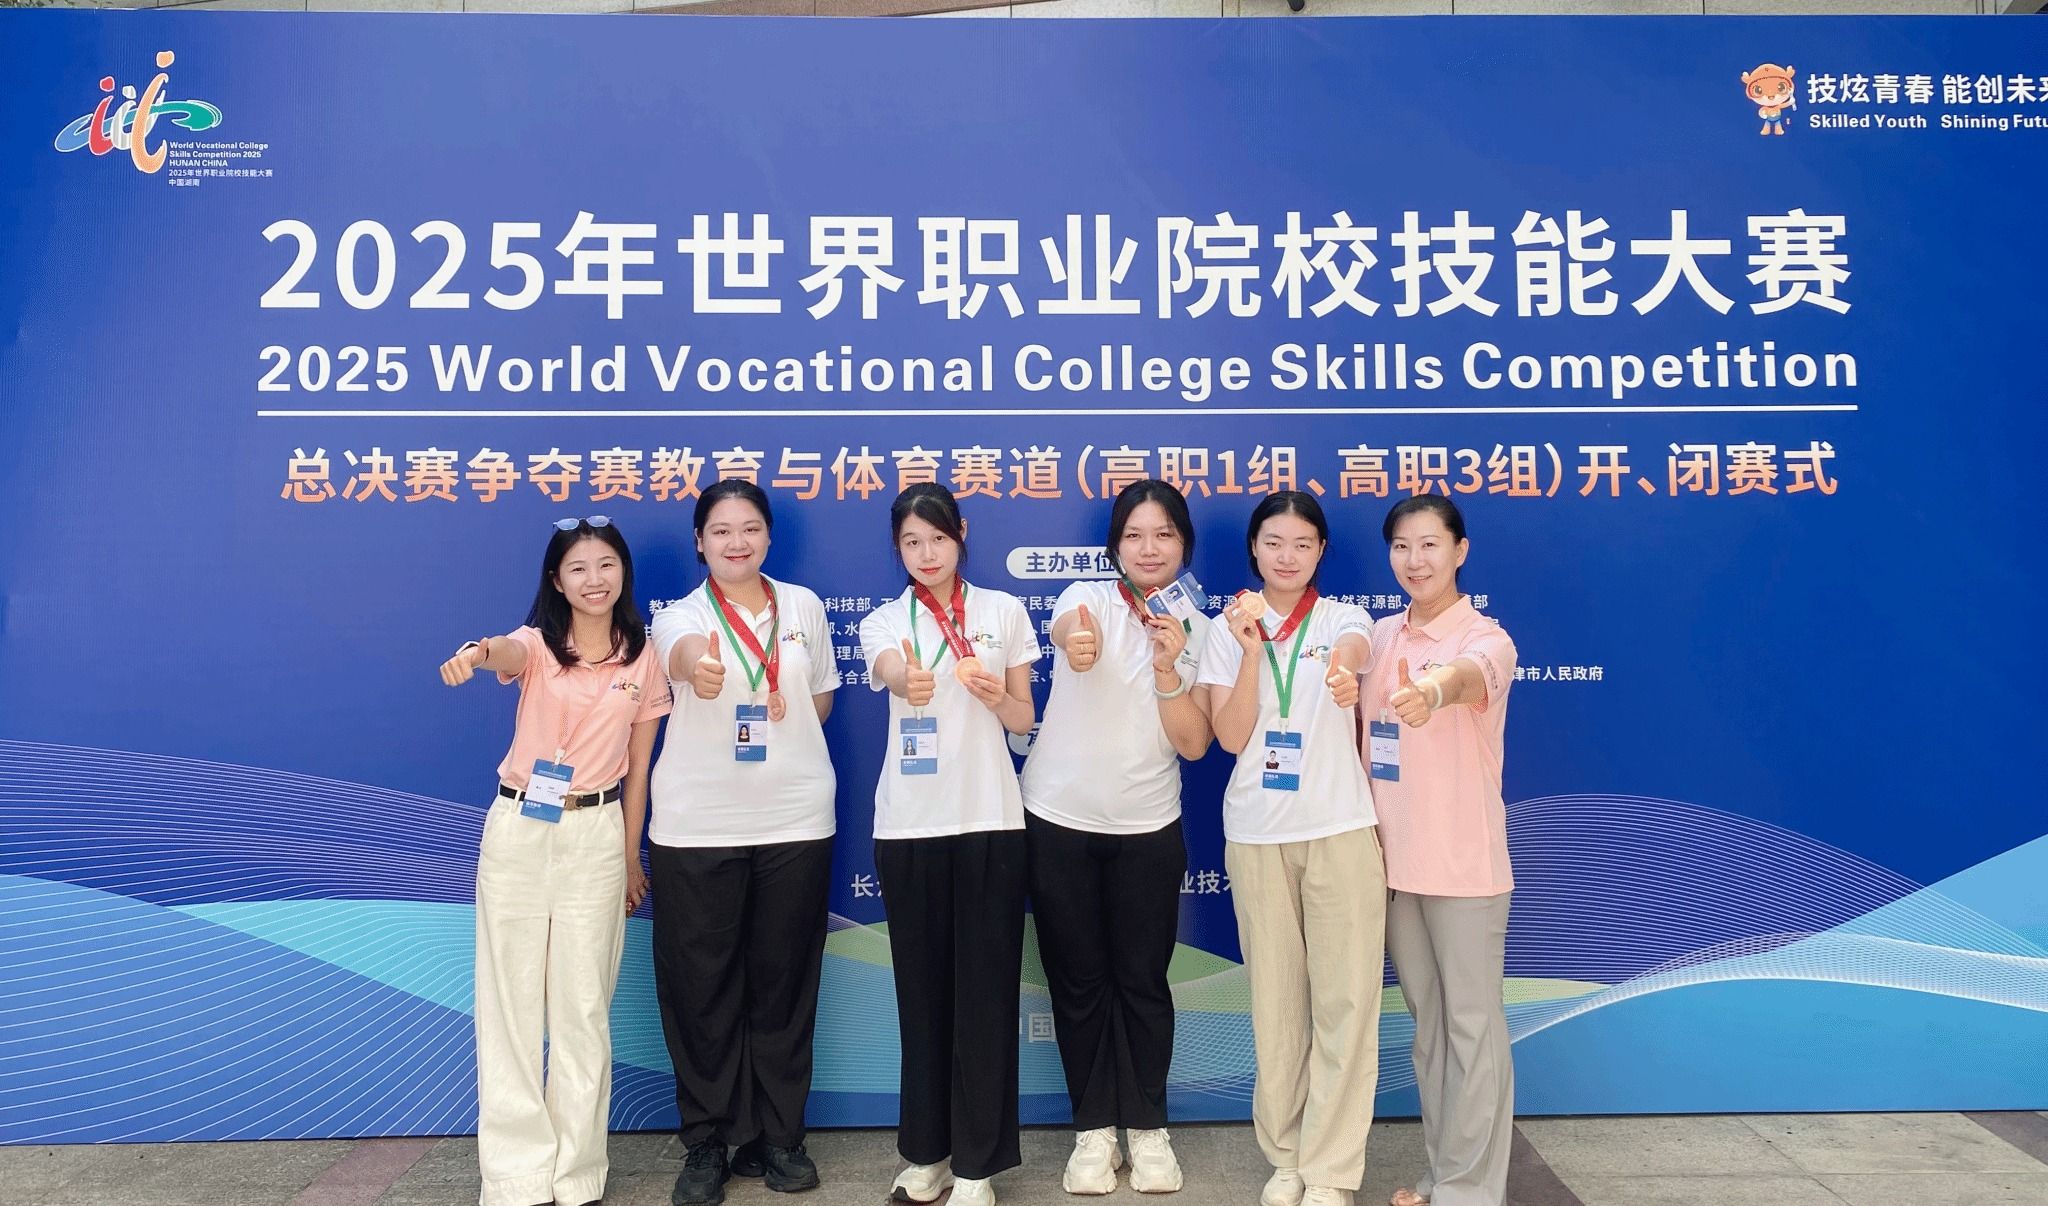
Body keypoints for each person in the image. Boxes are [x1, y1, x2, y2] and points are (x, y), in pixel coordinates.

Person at [438, 516, 671, 1206]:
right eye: (578, 568)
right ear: (556, 580)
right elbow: (504, 652)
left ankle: (577, 1175)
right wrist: (478, 652)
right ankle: (516, 1177)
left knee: (583, 1007)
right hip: (519, 829)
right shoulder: (537, 646)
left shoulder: (644, 656)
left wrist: (631, 857)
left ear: (623, 572)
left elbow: (639, 771)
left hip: (597, 834)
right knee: (509, 1002)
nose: (594, 580)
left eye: (606, 565)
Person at [646, 480, 843, 1206]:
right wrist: (700, 669)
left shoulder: (804, 607)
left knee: (783, 984)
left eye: (751, 528)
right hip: (698, 826)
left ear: (768, 537)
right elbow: (681, 657)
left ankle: (779, 1137)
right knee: (701, 989)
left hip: (796, 820)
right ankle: (707, 1141)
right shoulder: (680, 616)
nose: (737, 542)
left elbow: (821, 698)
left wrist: (778, 703)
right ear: (700, 542)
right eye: (721, 531)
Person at [1019, 480, 1212, 1196]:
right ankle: (1094, 1129)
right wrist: (1077, 644)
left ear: (1183, 544)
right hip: (1059, 821)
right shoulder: (1088, 599)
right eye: (1134, 535)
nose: (1149, 548)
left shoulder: (1198, 627)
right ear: (1115, 546)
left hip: (1148, 826)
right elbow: (1069, 634)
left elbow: (1194, 744)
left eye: (1164, 534)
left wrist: (1169, 669)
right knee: (1077, 982)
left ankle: (1148, 1128)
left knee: (1142, 982)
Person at [1194, 491, 1385, 1206]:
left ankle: (1331, 1168)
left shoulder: (1341, 619)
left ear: (1321, 551)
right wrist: (1251, 654)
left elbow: (1356, 650)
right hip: (1257, 834)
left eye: (1303, 543)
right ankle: (1286, 1155)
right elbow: (1231, 737)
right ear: (1254, 548)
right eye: (1274, 542)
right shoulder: (1228, 628)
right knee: (1276, 1004)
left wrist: (1344, 671)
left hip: (1339, 828)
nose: (1287, 555)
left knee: (1346, 1002)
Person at [859, 483, 1042, 1206]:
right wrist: (906, 677)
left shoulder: (1002, 611)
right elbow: (886, 668)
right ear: (897, 549)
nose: (926, 553)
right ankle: (927, 1154)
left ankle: (977, 1166)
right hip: (909, 827)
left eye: (937, 538)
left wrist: (995, 695)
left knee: (985, 997)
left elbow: (1024, 718)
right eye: (912, 542)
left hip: (990, 821)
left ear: (961, 534)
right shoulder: (884, 621)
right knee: (922, 996)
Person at [1365, 496, 1518, 1206]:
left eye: (1430, 544)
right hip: (1396, 867)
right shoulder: (1379, 636)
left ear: (1460, 550)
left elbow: (1464, 679)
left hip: (1462, 866)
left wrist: (1431, 690)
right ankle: (1444, 1171)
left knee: (1471, 1026)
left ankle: (1471, 1188)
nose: (1415, 560)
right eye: (1402, 546)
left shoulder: (1486, 639)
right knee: (1430, 1029)